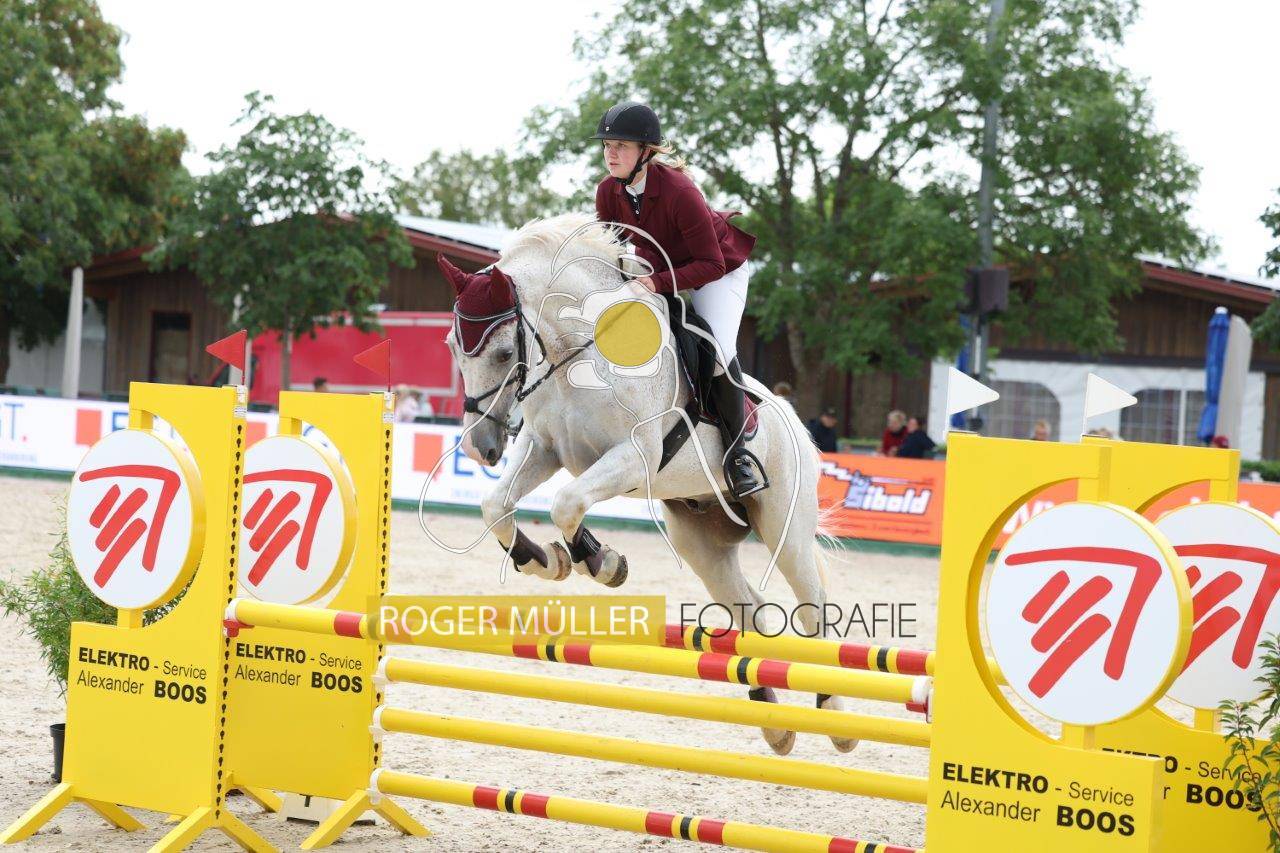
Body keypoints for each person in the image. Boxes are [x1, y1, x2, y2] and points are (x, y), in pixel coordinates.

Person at [592, 101, 762, 499]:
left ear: (646, 152)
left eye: (621, 146)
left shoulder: (680, 191)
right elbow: (610, 247)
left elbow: (711, 263)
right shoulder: (607, 191)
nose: (611, 154)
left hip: (717, 272)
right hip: (658, 269)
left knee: (717, 349)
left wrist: (655, 283)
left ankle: (738, 455)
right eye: (607, 146)